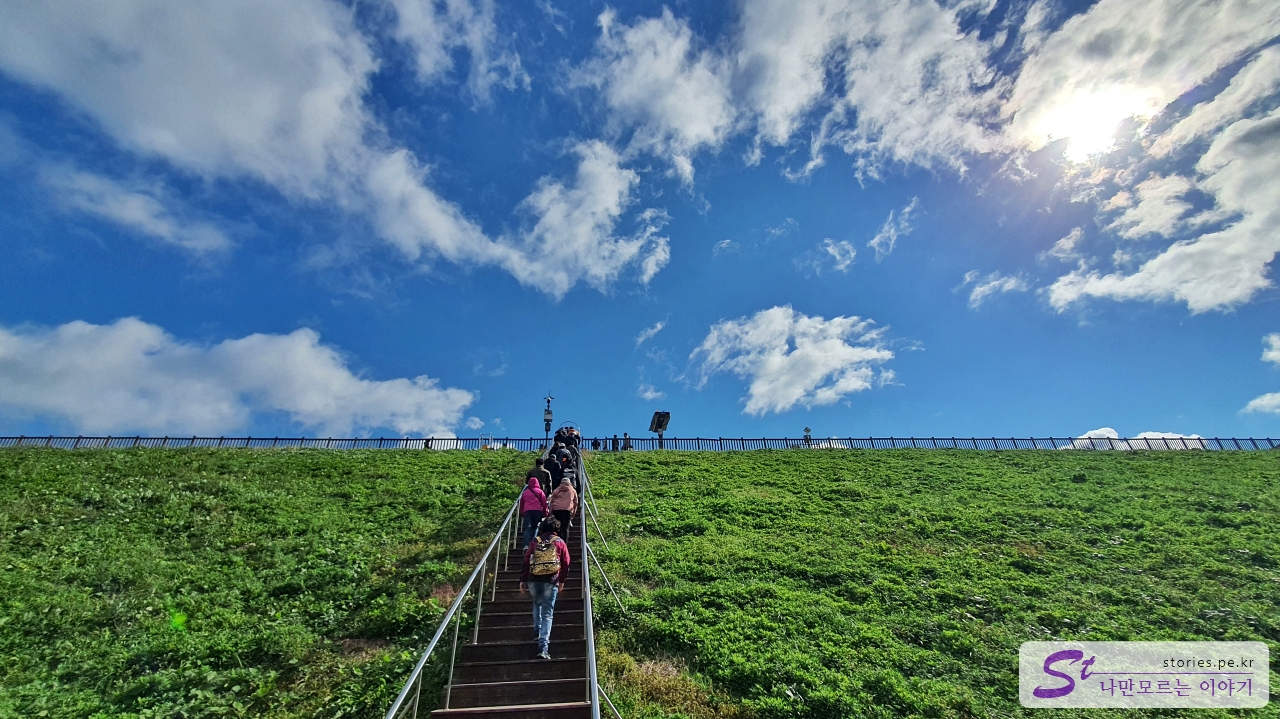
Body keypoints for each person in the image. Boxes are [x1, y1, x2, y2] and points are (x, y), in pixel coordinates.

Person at [520, 516, 570, 660]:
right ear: (557, 529)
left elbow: (526, 559)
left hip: (533, 579)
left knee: (537, 603)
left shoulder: (535, 541)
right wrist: (562, 580)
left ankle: (537, 631)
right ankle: (543, 647)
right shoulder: (560, 543)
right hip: (551, 579)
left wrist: (522, 579)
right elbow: (566, 563)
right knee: (548, 613)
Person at [518, 476, 548, 549]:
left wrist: (521, 512)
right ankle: (533, 544)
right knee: (535, 527)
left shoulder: (525, 492)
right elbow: (544, 503)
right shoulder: (540, 491)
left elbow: (521, 504)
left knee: (527, 528)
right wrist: (545, 512)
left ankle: (525, 545)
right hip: (537, 511)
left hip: (527, 511)